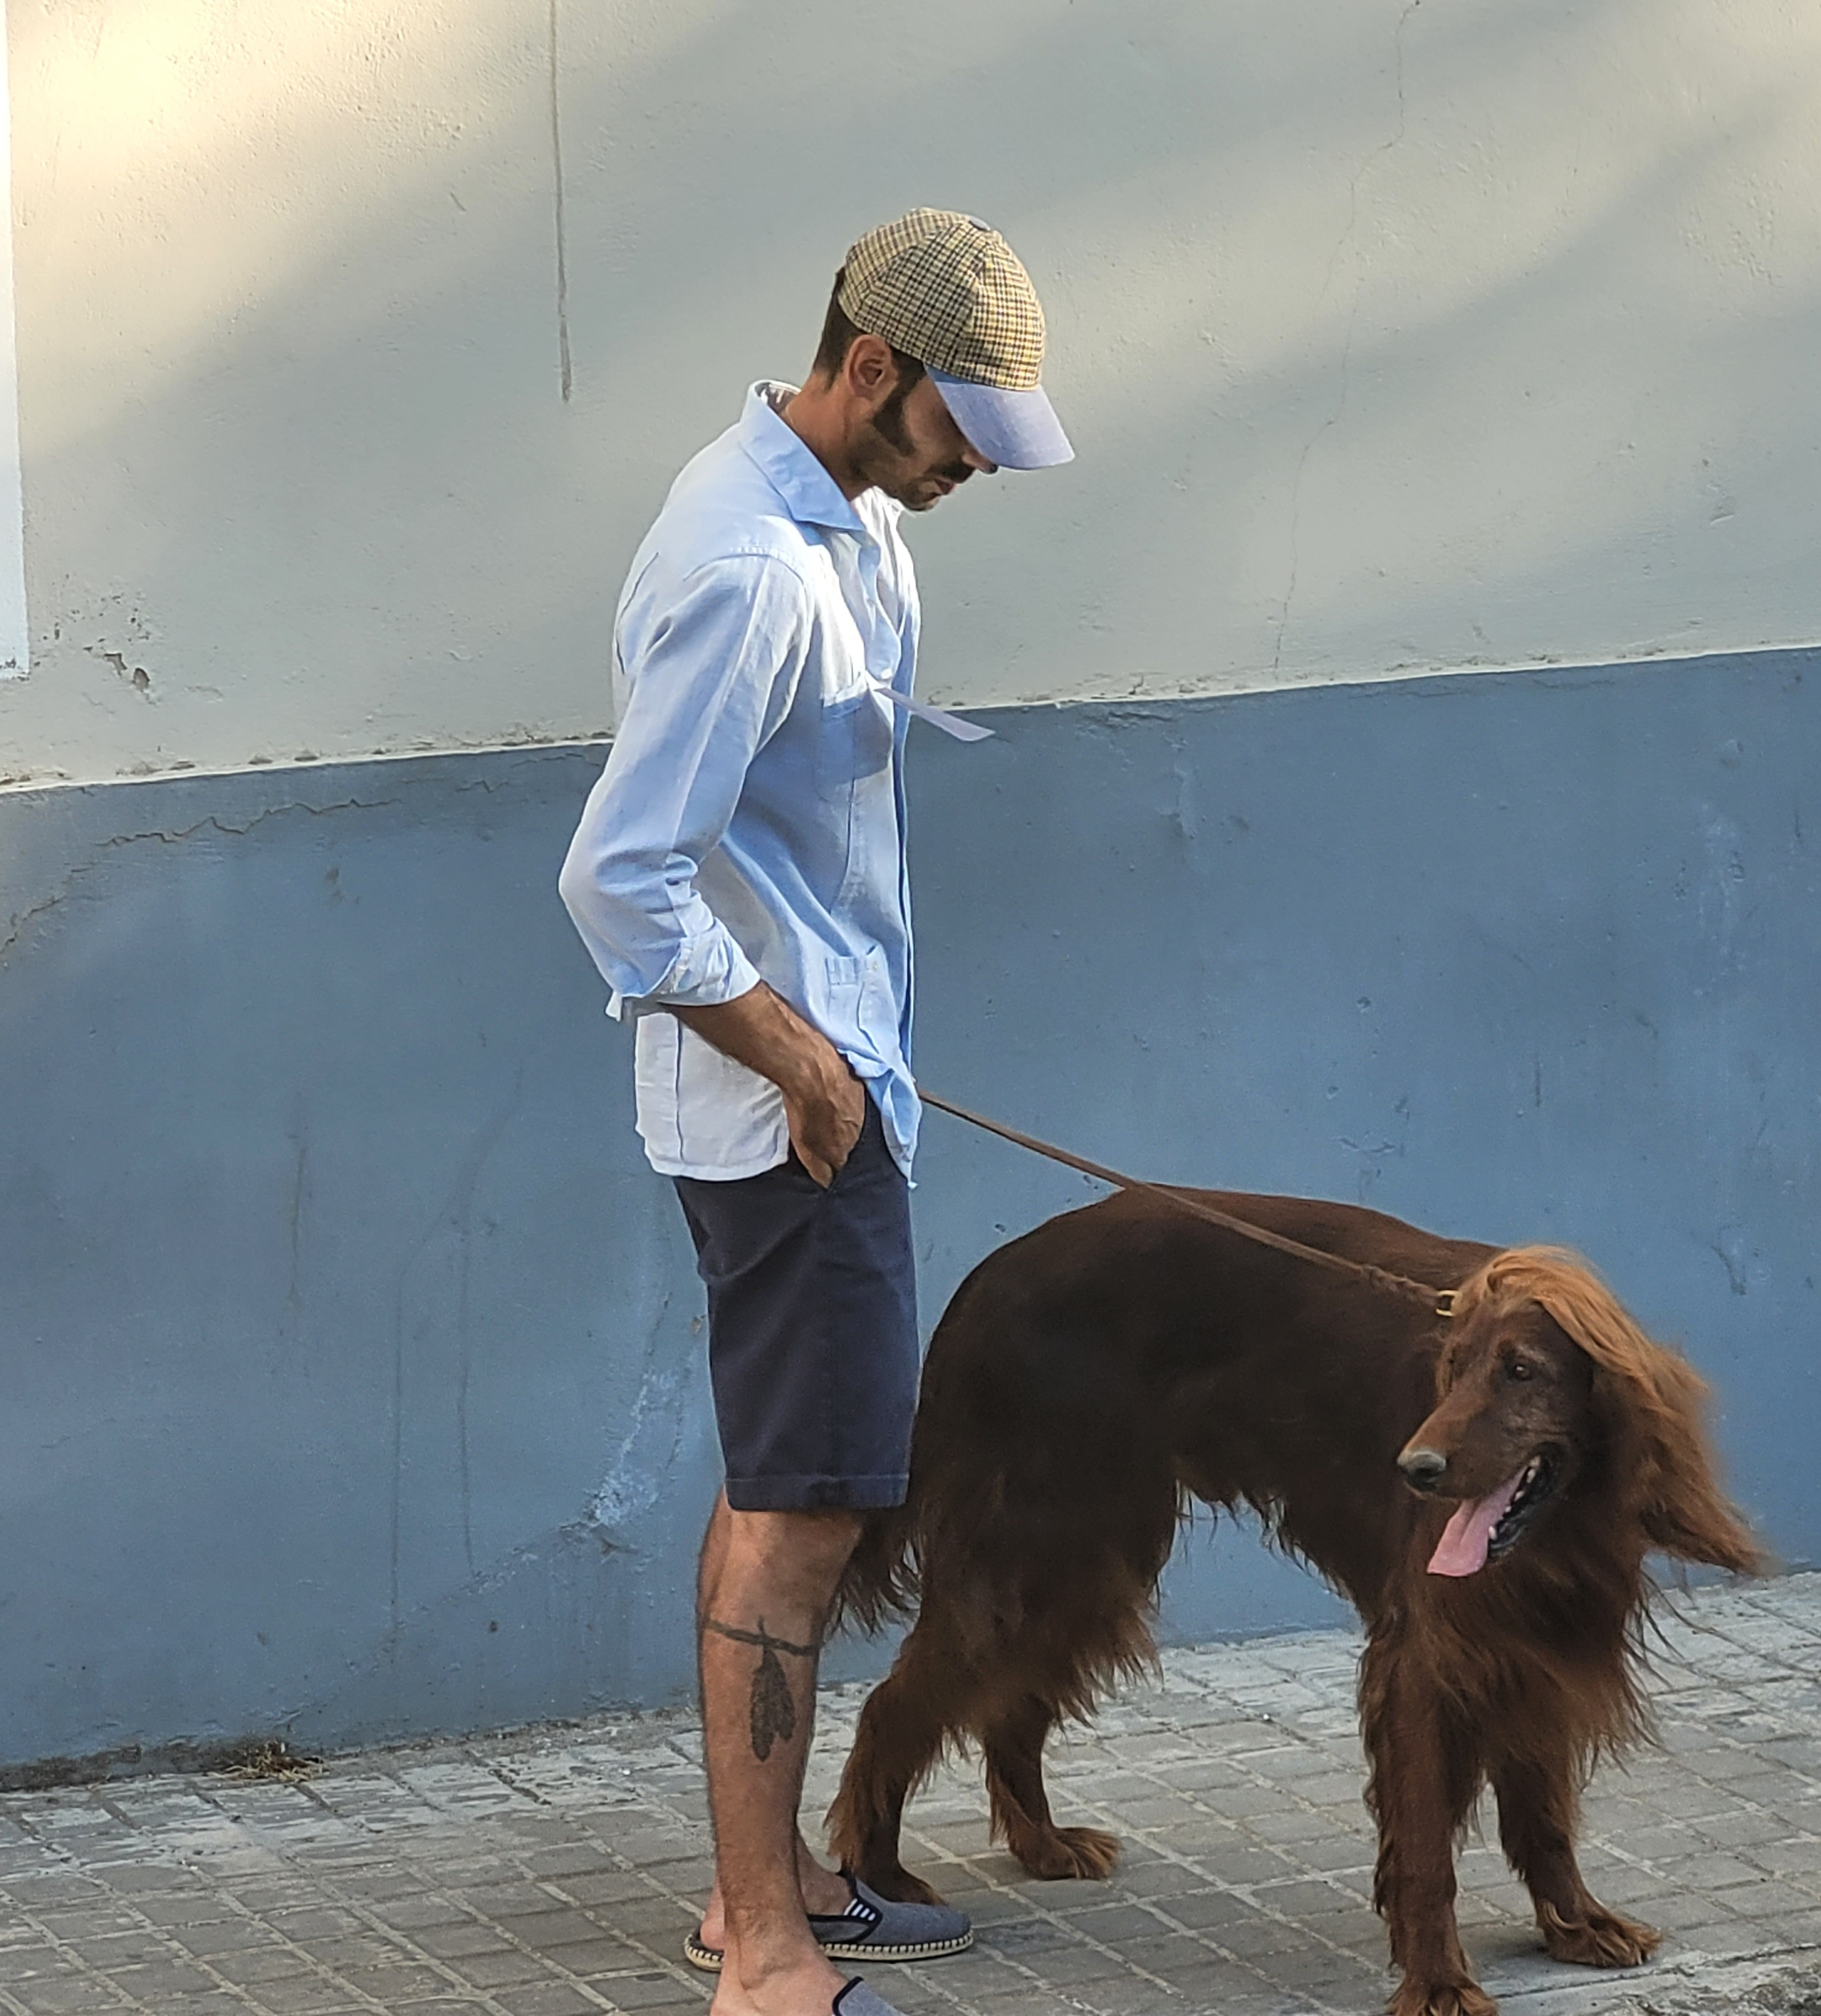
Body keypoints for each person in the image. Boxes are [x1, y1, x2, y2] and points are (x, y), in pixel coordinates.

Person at [557, 209, 1074, 2016]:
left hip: (829, 1091)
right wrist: (799, 1059)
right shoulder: (749, 568)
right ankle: (763, 1952)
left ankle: (760, 1889)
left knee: (788, 1494)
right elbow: (620, 880)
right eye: (961, 433)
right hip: (799, 1124)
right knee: (810, 1521)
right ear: (872, 370)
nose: (973, 473)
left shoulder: (837, 518)